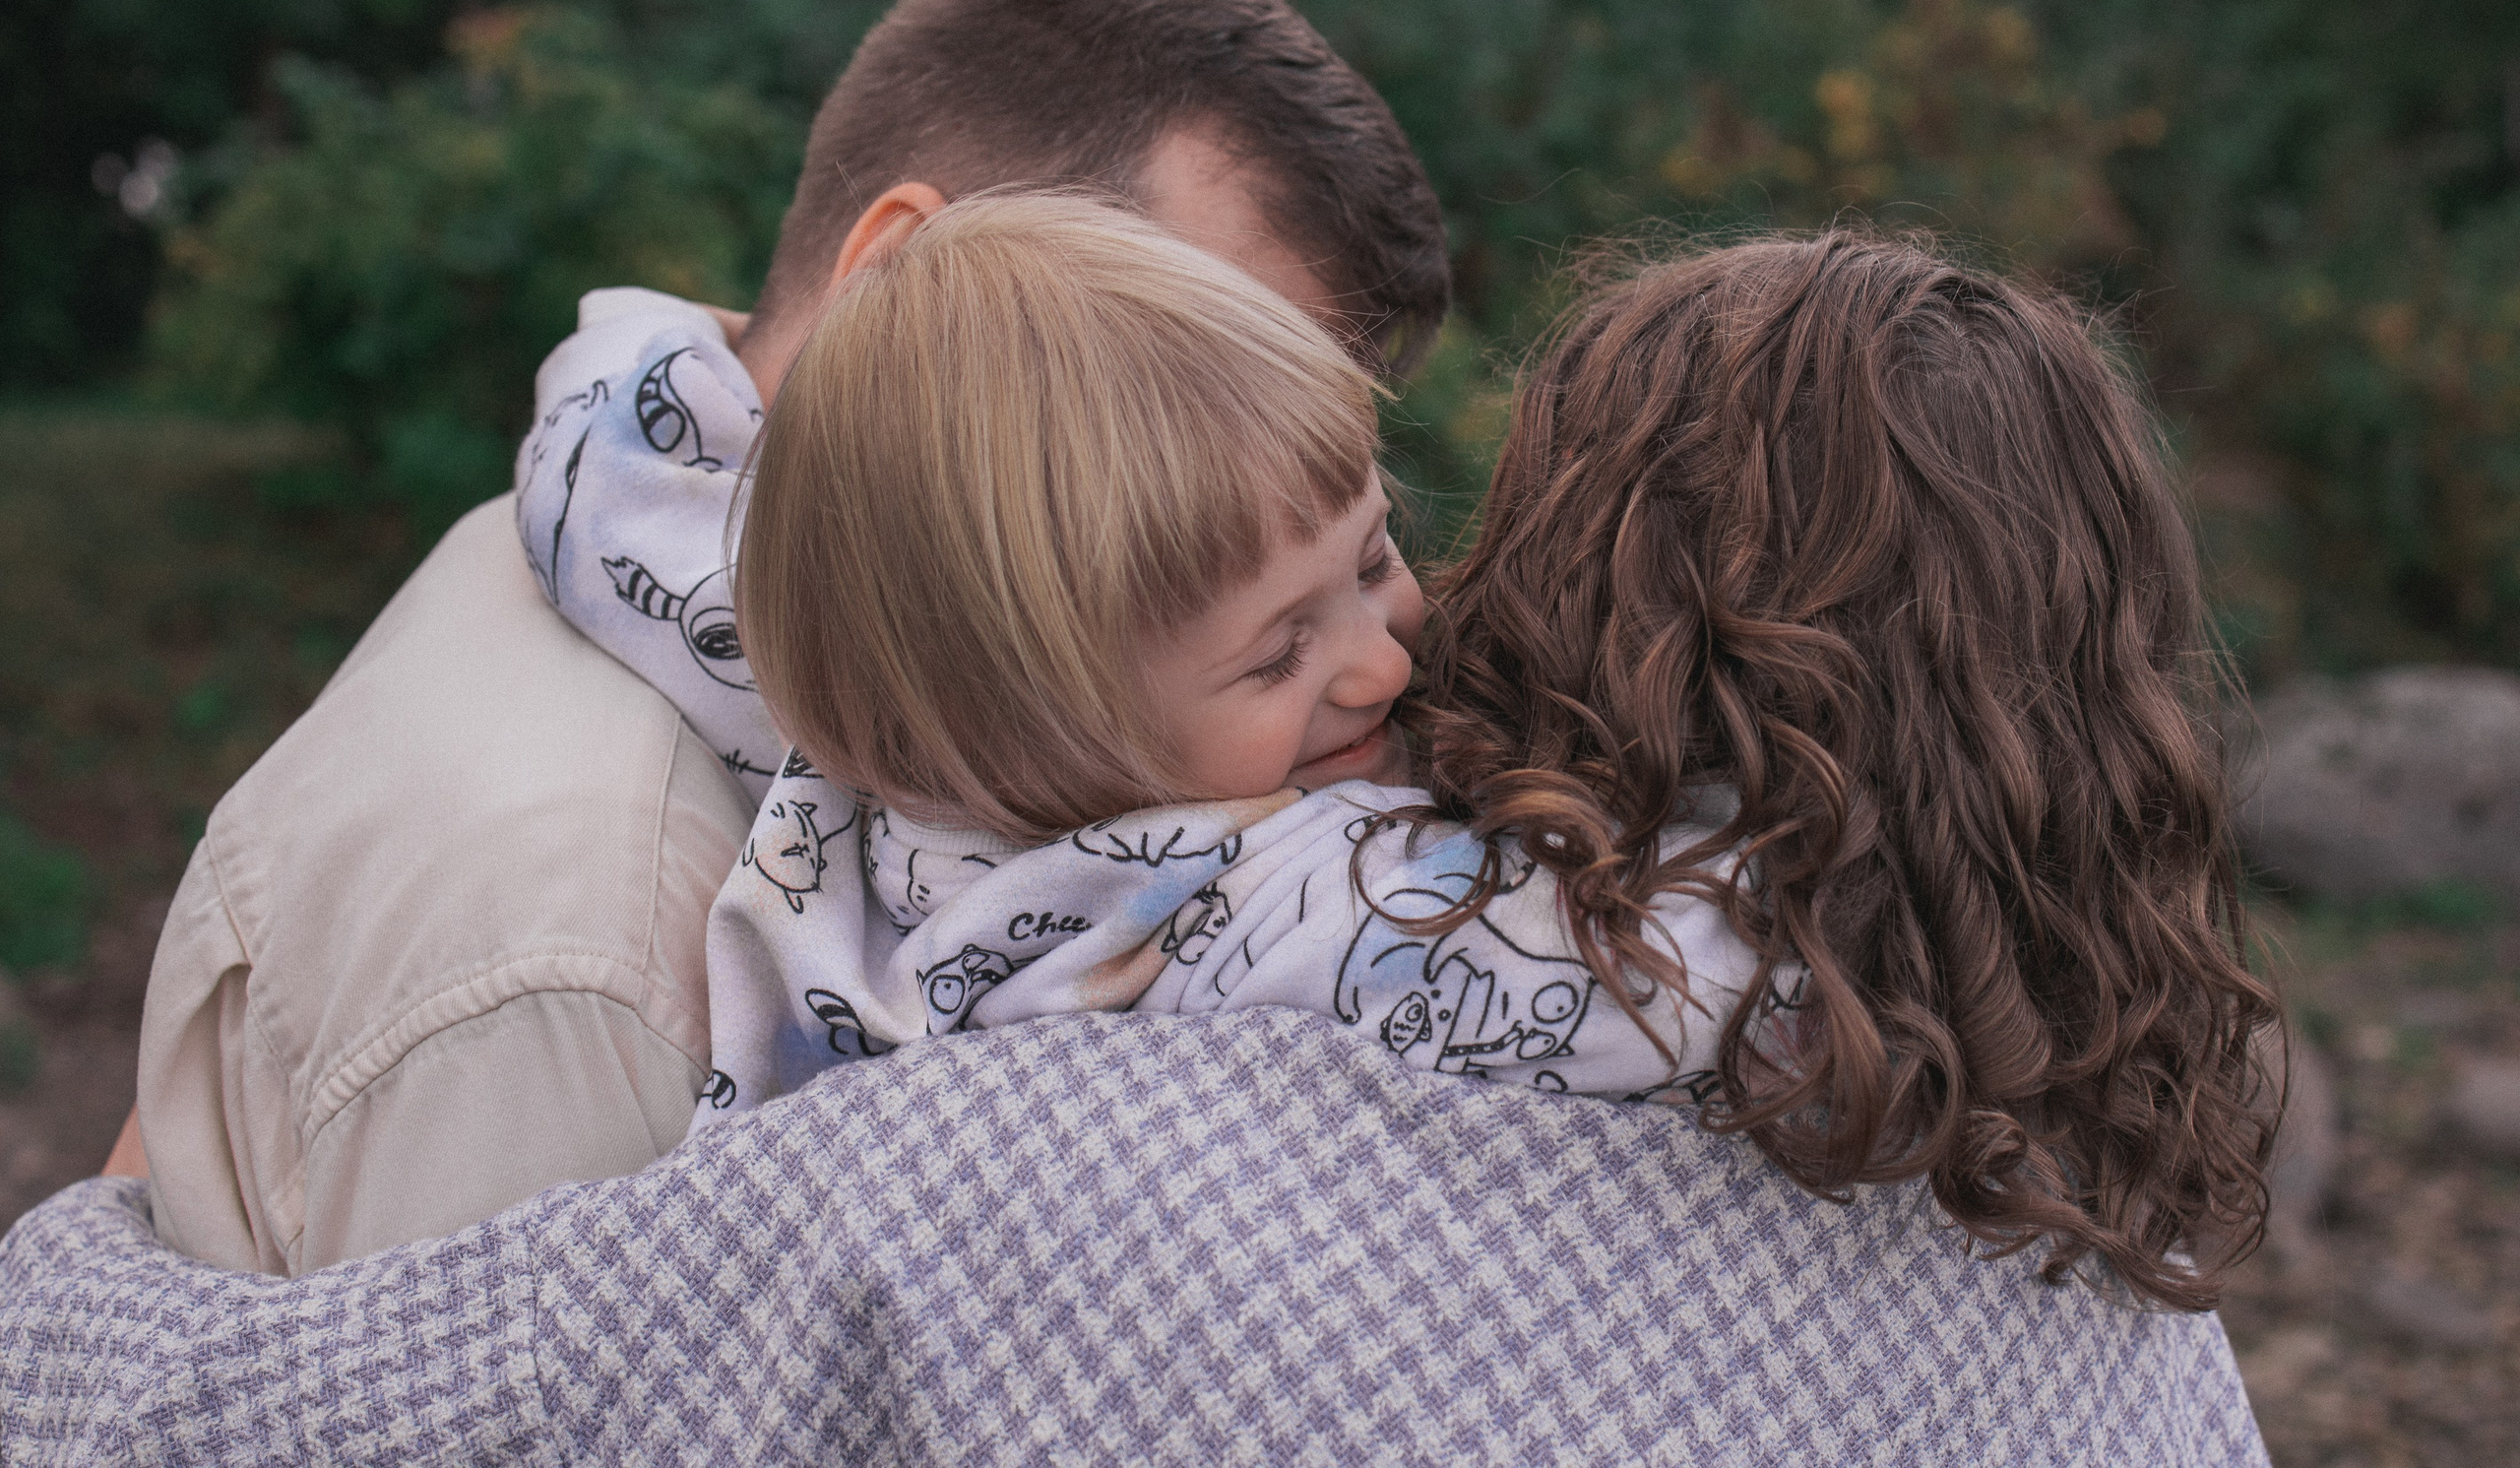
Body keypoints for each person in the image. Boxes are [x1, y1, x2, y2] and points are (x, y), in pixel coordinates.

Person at [0, 229, 2272, 1462]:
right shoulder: (2094, 1247)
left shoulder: (1022, 1153)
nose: (1400, 624)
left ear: (1580, 581)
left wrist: (96, 1234)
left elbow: (271, 1422)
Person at [128, 0, 1449, 1276]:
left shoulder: (614, 528)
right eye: (1167, 372)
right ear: (900, 275)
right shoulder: (595, 948)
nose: (1238, 456)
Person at [529, 189, 1764, 1117]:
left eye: (1376, 559)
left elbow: (613, 488)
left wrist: (643, 335)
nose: (1380, 666)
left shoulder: (844, 687)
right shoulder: (1200, 909)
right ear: (1006, 729)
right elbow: (1691, 992)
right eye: (1278, 657)